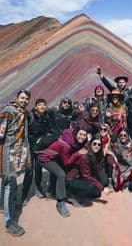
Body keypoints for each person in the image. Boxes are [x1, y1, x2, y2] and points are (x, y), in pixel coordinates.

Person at [0, 89, 32, 237]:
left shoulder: (23, 113)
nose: (24, 101)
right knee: (10, 185)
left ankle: (3, 206)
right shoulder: (9, 110)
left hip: (16, 153)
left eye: (27, 99)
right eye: (22, 98)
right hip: (7, 152)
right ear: (17, 97)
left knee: (5, 183)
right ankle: (9, 222)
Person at [38, 126, 88, 217]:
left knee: (58, 169)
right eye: (80, 134)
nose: (82, 137)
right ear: (75, 134)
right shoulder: (65, 145)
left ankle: (51, 191)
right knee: (61, 174)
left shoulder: (71, 139)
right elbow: (67, 162)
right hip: (45, 159)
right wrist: (78, 153)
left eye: (85, 135)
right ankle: (60, 202)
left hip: (54, 157)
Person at [66, 136, 111, 206]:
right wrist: (102, 188)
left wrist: (103, 181)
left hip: (82, 176)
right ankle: (73, 196)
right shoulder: (84, 156)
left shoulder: (96, 154)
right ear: (90, 144)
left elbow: (99, 167)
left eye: (99, 145)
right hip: (72, 178)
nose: (97, 146)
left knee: (97, 193)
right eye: (94, 144)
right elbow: (86, 176)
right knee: (91, 187)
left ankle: (82, 192)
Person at [28, 98, 58, 198]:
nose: (42, 106)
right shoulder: (30, 116)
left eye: (44, 105)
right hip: (30, 145)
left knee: (38, 167)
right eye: (39, 105)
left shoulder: (47, 117)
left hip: (41, 145)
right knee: (29, 169)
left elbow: (50, 129)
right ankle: (25, 191)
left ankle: (38, 187)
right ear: (35, 107)